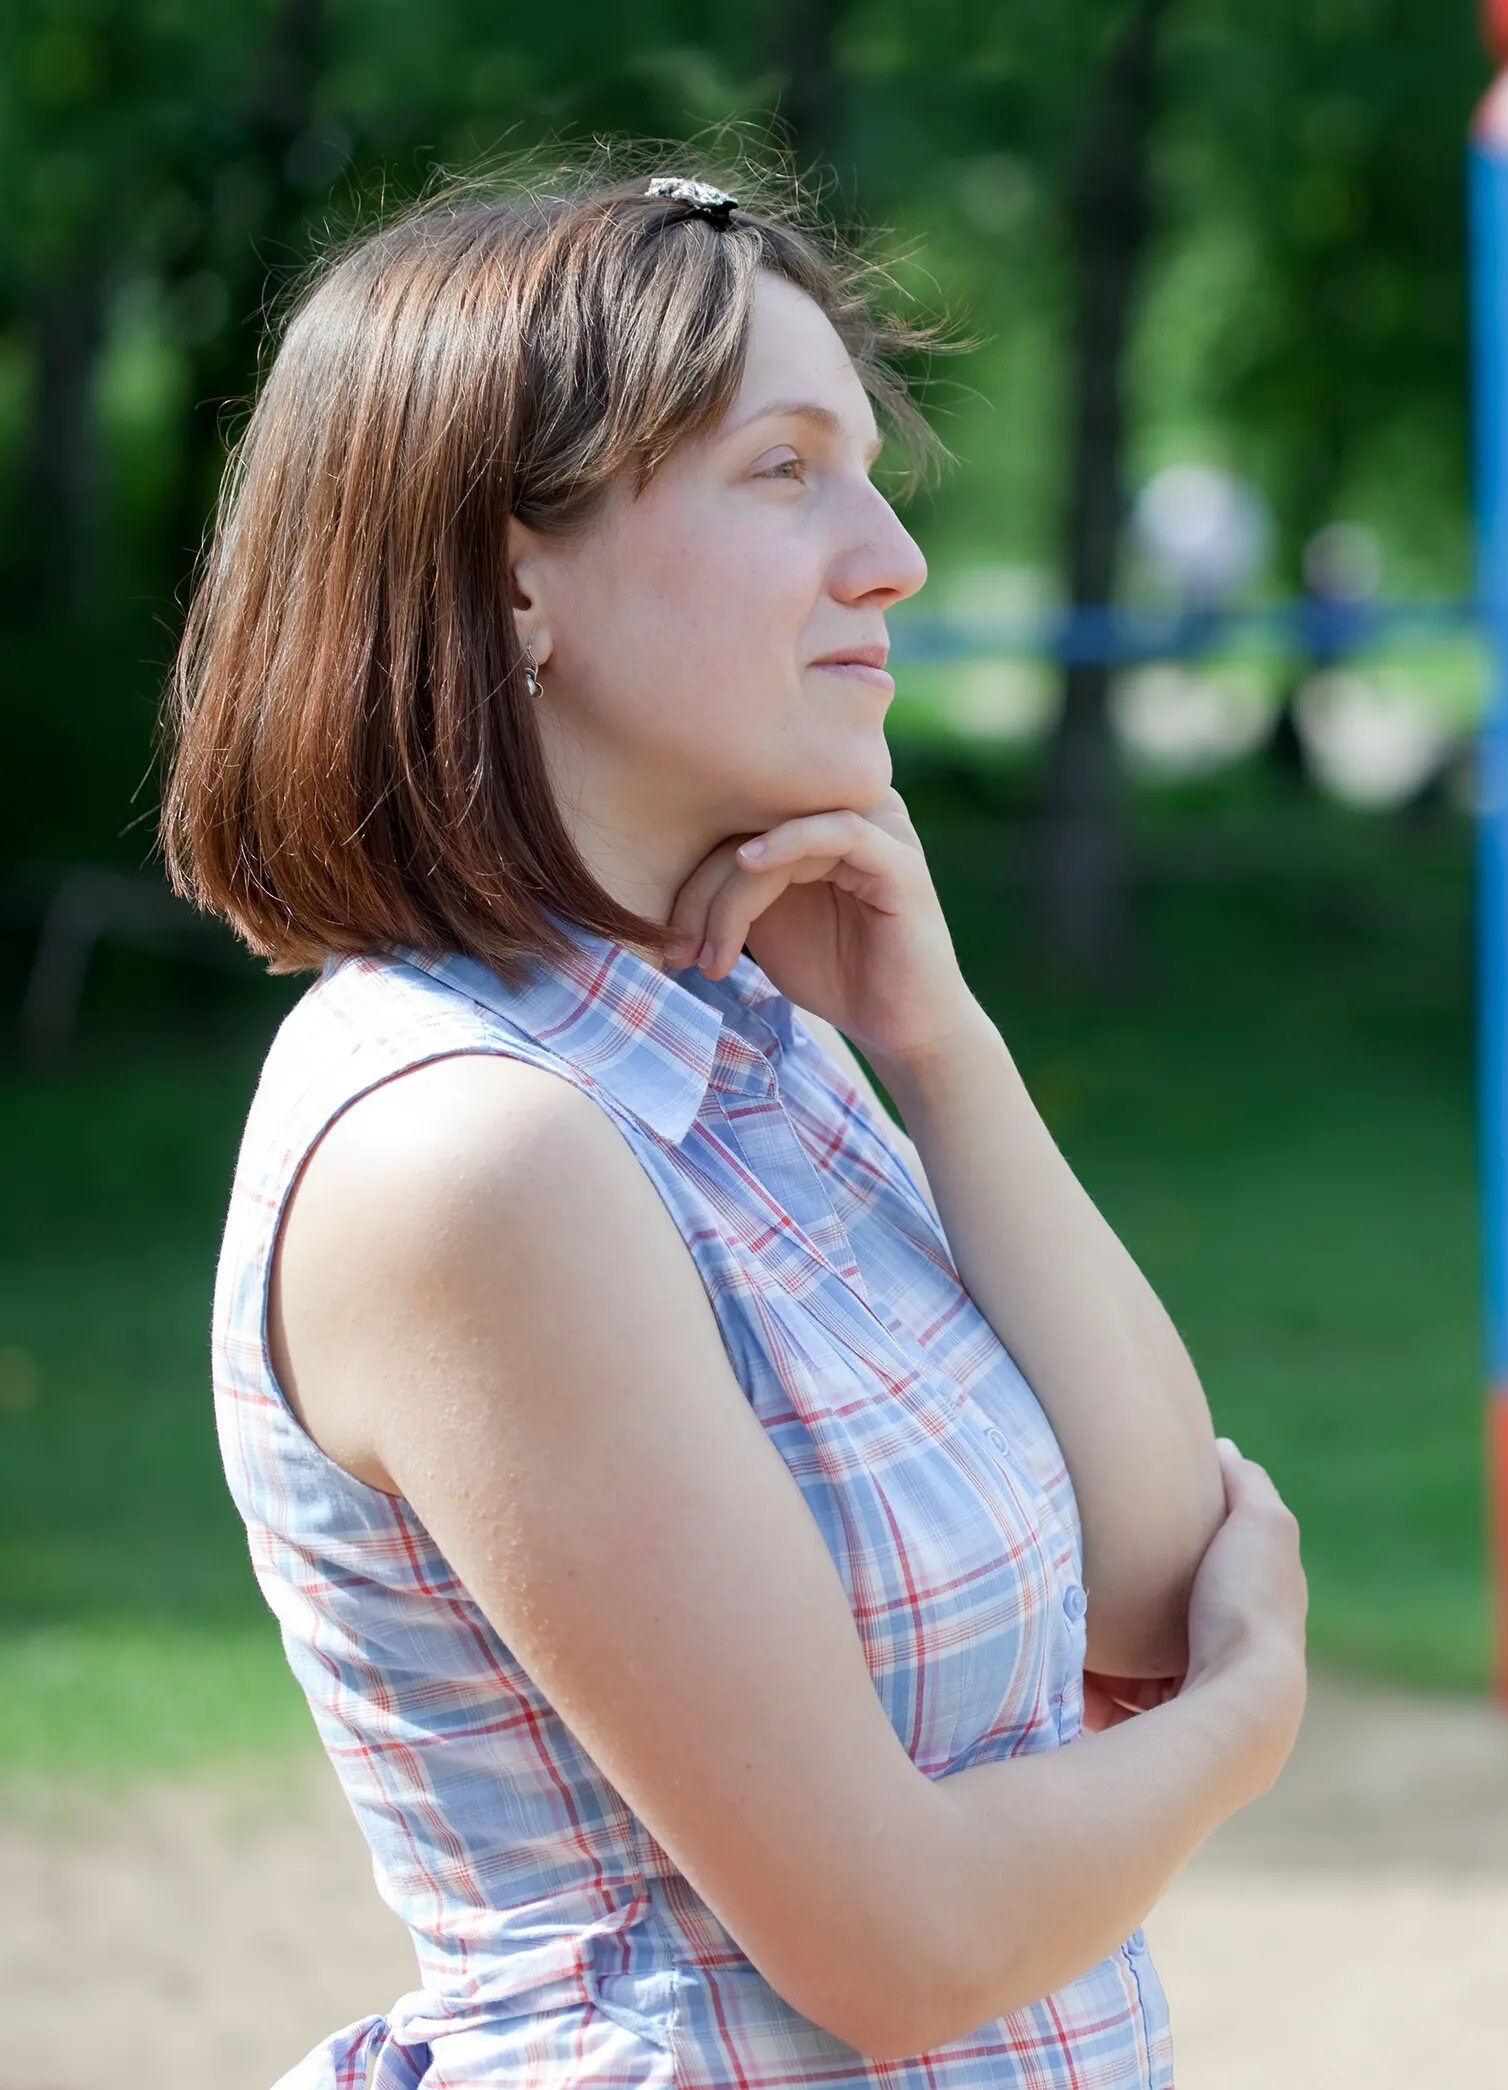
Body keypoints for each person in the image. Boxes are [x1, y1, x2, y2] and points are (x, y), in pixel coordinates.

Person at [158, 167, 1307, 2086]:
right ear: (515, 565)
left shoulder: (752, 1042)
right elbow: (908, 1940)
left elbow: (1149, 1571)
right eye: (785, 470)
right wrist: (1247, 1724)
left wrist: (944, 1053)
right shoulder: (474, 1152)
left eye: (868, 471)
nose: (893, 560)